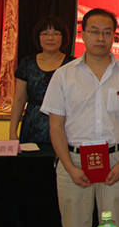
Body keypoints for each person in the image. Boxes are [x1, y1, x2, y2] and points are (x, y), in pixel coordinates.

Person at [41, 8, 119, 227]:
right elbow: (56, 126)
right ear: (83, 34)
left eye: (107, 32)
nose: (101, 38)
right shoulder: (64, 75)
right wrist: (69, 167)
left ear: (113, 36)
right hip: (73, 161)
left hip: (116, 160)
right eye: (94, 31)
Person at [9, 15, 74, 144]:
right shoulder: (27, 64)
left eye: (56, 34)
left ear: (63, 37)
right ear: (38, 37)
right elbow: (19, 99)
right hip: (32, 126)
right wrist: (12, 132)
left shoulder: (72, 65)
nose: (50, 38)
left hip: (64, 126)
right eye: (45, 34)